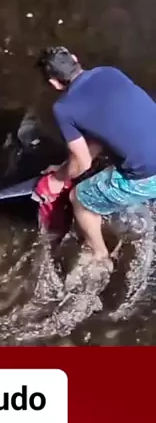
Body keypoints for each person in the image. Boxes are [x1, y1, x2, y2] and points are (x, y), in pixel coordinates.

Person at [35, 46, 156, 268]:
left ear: (54, 83)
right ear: (75, 59)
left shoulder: (64, 109)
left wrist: (58, 179)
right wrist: (63, 167)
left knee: (80, 199)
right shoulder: (109, 72)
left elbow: (82, 163)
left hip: (148, 176)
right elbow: (102, 132)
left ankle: (100, 255)